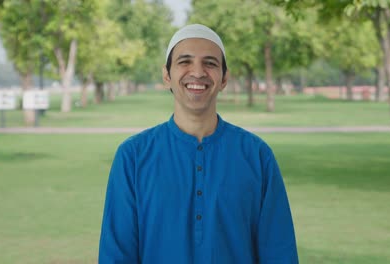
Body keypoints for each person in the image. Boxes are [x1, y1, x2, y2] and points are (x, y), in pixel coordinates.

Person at [99, 24, 298, 263]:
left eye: (210, 63)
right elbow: (116, 255)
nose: (198, 72)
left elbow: (279, 253)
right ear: (166, 75)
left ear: (224, 78)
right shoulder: (132, 157)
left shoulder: (257, 156)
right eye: (185, 61)